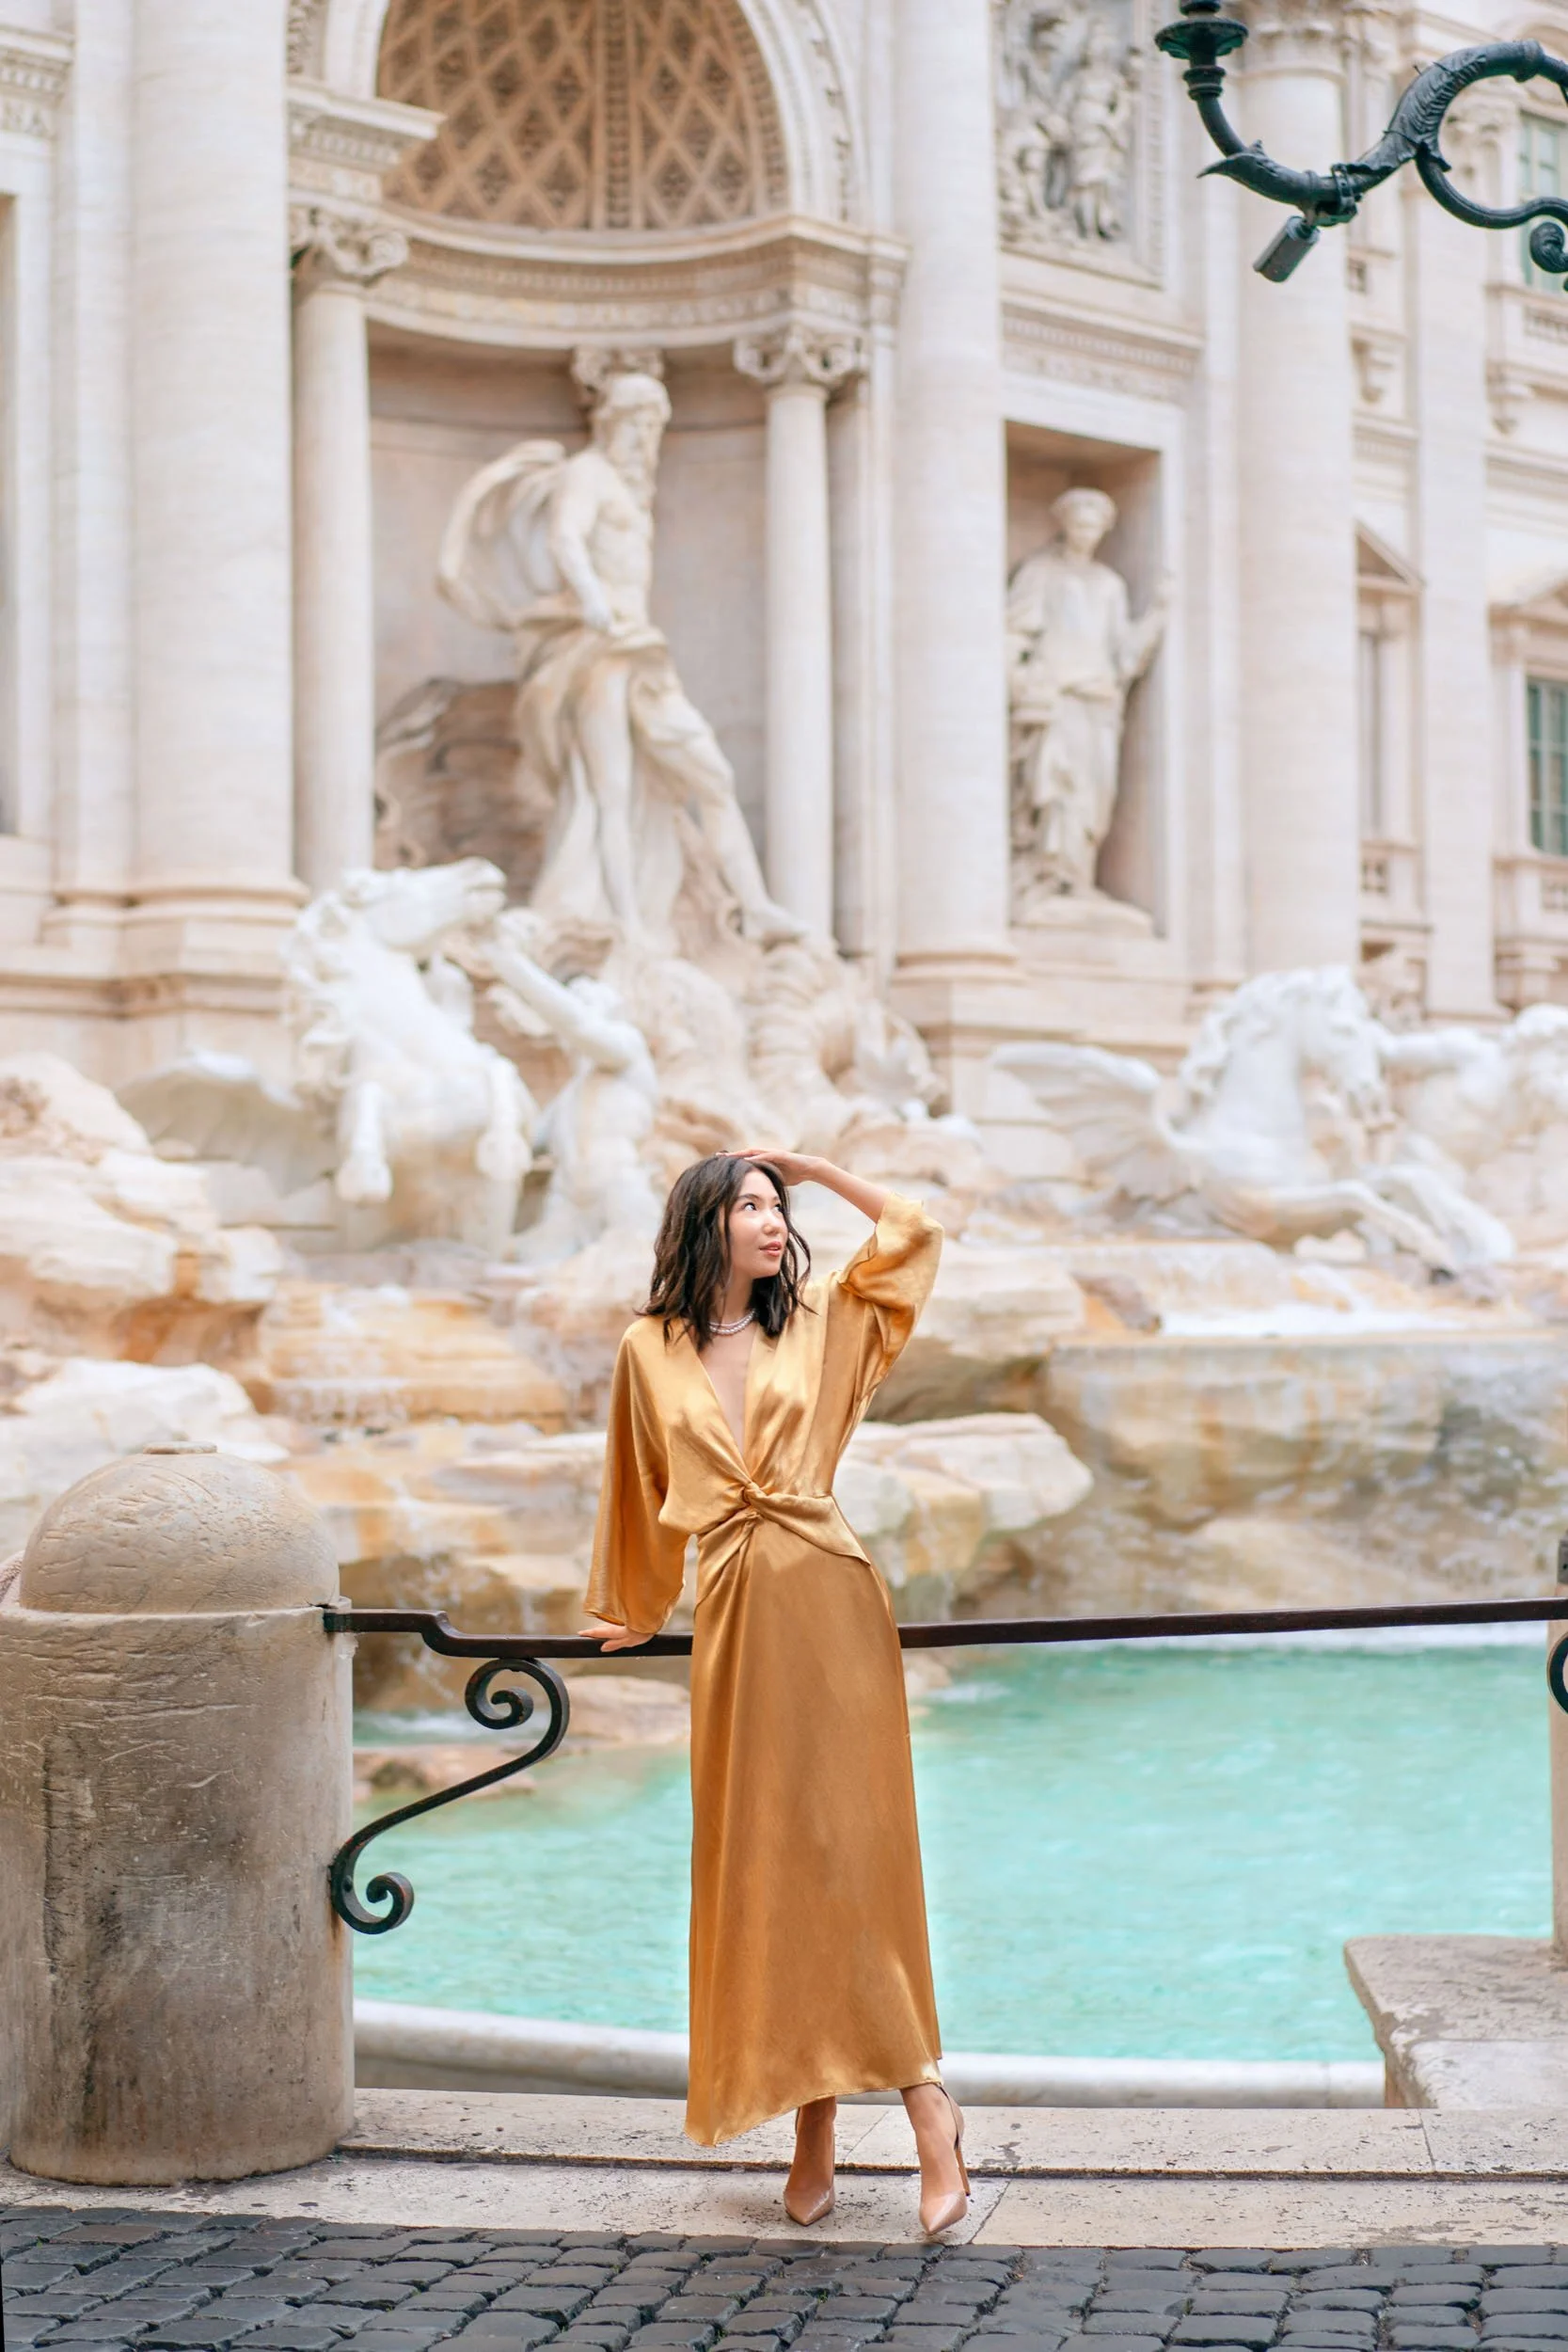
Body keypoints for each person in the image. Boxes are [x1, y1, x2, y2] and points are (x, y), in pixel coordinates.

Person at [580, 1149, 969, 2234]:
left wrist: (809, 1166)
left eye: (773, 1207)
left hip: (832, 1601)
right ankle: (812, 2127)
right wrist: (632, 1605)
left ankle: (929, 2112)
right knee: (769, 1862)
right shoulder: (644, 1349)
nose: (767, 1221)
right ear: (702, 1223)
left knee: (853, 1858)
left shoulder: (821, 1323)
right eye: (747, 1204)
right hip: (738, 1616)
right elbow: (635, 1484)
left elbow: (913, 1234)